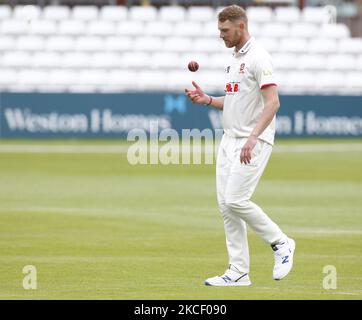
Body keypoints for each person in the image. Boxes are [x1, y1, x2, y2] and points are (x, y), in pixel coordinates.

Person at [185, 5, 295, 286]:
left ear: (240, 27)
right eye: (219, 30)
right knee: (225, 205)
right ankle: (238, 272)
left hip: (252, 140)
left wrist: (254, 137)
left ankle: (281, 243)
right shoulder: (234, 59)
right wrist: (208, 99)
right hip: (230, 138)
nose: (220, 35)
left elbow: (273, 102)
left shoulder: (259, 57)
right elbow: (235, 101)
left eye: (224, 30)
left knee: (235, 200)